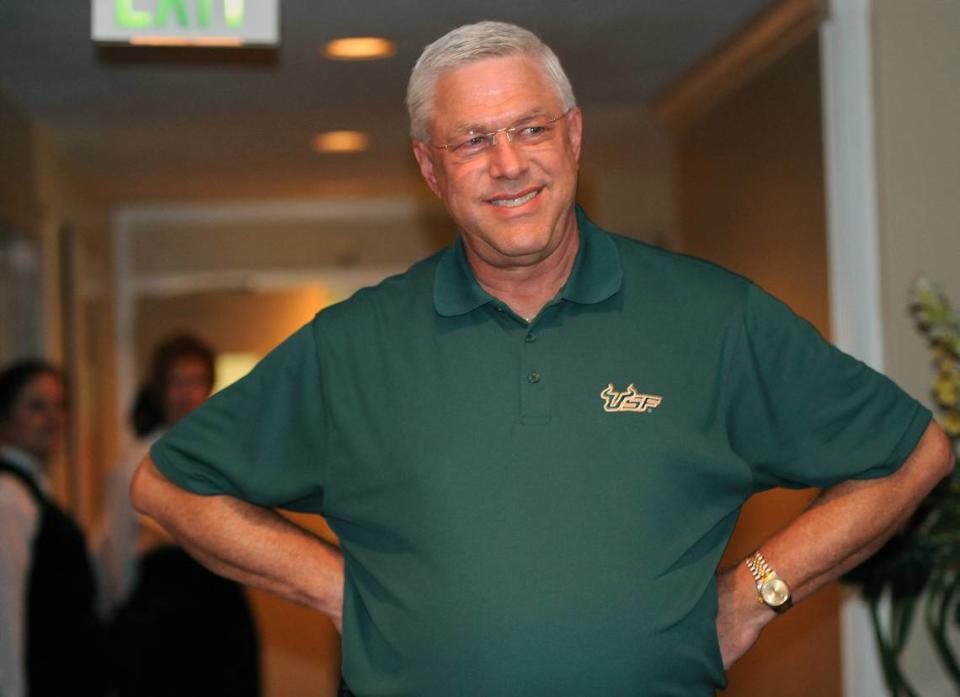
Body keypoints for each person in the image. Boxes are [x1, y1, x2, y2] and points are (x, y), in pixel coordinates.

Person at [130, 21, 955, 697]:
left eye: (531, 129)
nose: (509, 164)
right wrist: (339, 589)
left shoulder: (714, 317)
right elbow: (169, 482)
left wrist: (753, 592)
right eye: (472, 141)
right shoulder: (355, 342)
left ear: (575, 135)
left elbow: (912, 451)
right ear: (430, 167)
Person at [95, 334, 261, 697]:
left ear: (210, 386)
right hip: (160, 614)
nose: (187, 393)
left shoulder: (227, 456)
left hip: (220, 608)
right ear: (160, 390)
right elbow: (118, 550)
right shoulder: (134, 460)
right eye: (177, 382)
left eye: (197, 381)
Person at [0, 359, 106, 697]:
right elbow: (7, 616)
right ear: (5, 417)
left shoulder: (32, 489)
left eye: (61, 406)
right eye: (36, 406)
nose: (54, 418)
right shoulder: (8, 496)